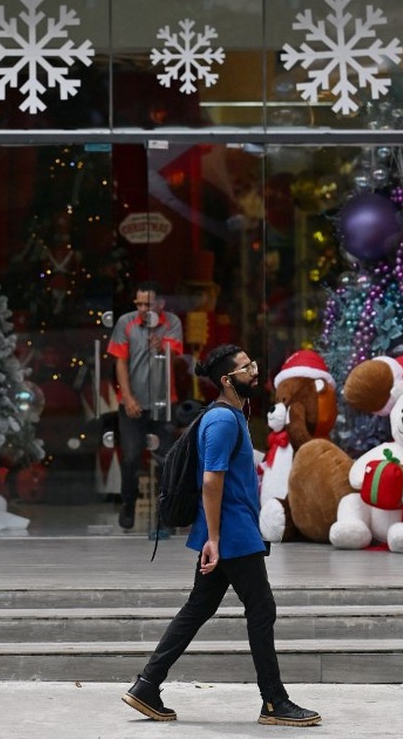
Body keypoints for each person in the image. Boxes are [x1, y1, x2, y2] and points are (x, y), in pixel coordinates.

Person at [121, 344, 320, 728]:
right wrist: (213, 538)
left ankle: (147, 685)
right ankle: (274, 702)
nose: (255, 371)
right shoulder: (224, 421)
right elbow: (212, 481)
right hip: (230, 533)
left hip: (230, 530)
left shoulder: (231, 416)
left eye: (253, 363)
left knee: (199, 608)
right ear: (228, 380)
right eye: (247, 368)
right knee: (261, 609)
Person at [106, 281, 184, 530]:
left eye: (147, 304)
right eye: (138, 304)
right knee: (130, 458)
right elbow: (120, 363)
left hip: (164, 402)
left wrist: (162, 347)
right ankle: (128, 503)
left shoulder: (171, 322)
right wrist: (127, 398)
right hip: (133, 403)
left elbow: (175, 357)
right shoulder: (125, 323)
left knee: (166, 460)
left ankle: (165, 513)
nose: (142, 309)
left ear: (160, 304)